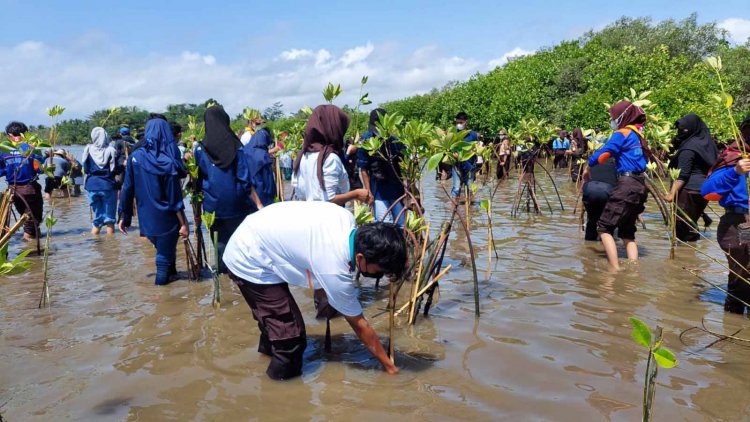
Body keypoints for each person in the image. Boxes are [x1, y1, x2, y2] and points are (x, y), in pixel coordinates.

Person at [223, 201, 406, 379]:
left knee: (276, 324)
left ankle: (265, 357)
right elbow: (359, 324)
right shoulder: (334, 268)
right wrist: (389, 366)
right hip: (249, 256)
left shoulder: (345, 217)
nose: (380, 275)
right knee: (290, 339)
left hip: (259, 233)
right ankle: (277, 396)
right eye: (380, 270)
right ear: (360, 258)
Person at [118, 118, 189, 285]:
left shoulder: (135, 157)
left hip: (146, 220)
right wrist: (184, 223)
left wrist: (124, 216)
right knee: (163, 259)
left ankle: (172, 281)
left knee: (165, 251)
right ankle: (161, 296)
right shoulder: (168, 161)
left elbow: (127, 188)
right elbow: (175, 199)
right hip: (168, 218)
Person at [195, 105, 263, 273]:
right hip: (237, 205)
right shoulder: (236, 146)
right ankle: (238, 280)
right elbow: (244, 179)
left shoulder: (199, 149)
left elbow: (198, 178)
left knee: (219, 245)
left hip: (212, 207)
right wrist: (259, 204)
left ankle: (221, 281)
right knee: (239, 245)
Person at [582, 100, 649, 270]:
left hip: (626, 184)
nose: (612, 121)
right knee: (627, 233)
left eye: (613, 117)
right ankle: (633, 270)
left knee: (603, 228)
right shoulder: (638, 135)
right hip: (640, 184)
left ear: (622, 117)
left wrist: (588, 167)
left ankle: (614, 270)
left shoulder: (623, 133)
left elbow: (603, 152)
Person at [702, 116, 750, 314]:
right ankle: (731, 330)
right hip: (740, 223)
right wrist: (736, 172)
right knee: (740, 281)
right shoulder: (735, 157)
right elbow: (708, 189)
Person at [292, 104, 370, 205]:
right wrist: (356, 194)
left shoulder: (303, 155)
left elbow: (300, 194)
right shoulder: (330, 158)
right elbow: (329, 199)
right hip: (329, 218)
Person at [664, 114, 718, 242]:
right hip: (704, 191)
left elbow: (683, 175)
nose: (681, 132)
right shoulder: (709, 145)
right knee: (690, 224)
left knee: (682, 231)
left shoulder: (689, 147)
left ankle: (682, 259)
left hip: (687, 191)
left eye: (684, 129)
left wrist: (671, 194)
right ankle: (692, 258)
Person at [357, 109, 406, 226]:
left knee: (400, 224)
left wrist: (409, 190)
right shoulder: (365, 141)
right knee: (384, 222)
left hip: (395, 187)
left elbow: (405, 165)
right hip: (378, 187)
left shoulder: (395, 141)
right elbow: (363, 169)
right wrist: (368, 191)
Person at [0, 121, 43, 241]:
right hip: (30, 189)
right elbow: (40, 168)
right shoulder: (31, 148)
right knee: (32, 220)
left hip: (13, 191)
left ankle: (34, 240)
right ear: (26, 134)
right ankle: (29, 246)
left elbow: (1, 171)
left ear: (9, 135)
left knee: (27, 218)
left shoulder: (3, 150)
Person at [82, 127, 118, 235]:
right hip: (108, 186)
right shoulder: (111, 150)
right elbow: (114, 169)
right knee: (109, 219)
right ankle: (110, 246)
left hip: (92, 186)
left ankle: (95, 244)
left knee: (98, 218)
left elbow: (86, 169)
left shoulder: (88, 149)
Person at [582, 157, 617, 241]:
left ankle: (589, 244)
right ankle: (605, 247)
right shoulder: (616, 163)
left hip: (589, 189)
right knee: (607, 223)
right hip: (607, 190)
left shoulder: (593, 161)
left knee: (591, 221)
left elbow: (584, 180)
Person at [451, 111, 479, 198]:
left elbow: (476, 148)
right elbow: (450, 147)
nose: (459, 124)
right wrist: (453, 155)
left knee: (470, 189)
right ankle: (454, 210)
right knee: (456, 189)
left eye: (461, 122)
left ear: (466, 122)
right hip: (457, 165)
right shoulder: (453, 134)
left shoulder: (473, 134)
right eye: (457, 122)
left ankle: (470, 210)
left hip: (470, 166)